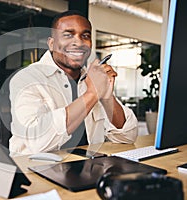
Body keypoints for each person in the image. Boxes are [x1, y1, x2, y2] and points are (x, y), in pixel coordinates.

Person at [8, 10, 138, 156]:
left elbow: (127, 137)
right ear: (51, 44)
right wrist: (93, 93)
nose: (78, 42)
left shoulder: (90, 78)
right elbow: (37, 141)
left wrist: (106, 96)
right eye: (68, 35)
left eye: (85, 36)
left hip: (87, 169)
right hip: (35, 170)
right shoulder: (27, 78)